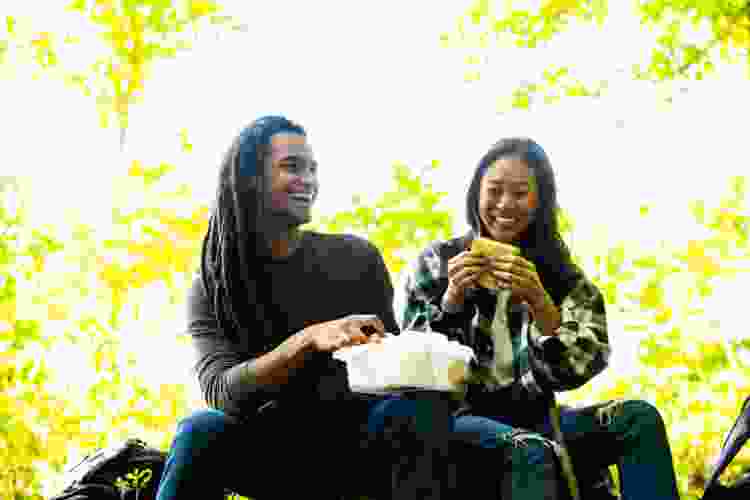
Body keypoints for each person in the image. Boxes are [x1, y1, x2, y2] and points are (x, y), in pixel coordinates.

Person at [155, 116, 561, 500]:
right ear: (251, 179)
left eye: (312, 169)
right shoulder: (216, 285)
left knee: (421, 406)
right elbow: (222, 392)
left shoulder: (355, 258)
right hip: (272, 450)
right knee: (198, 429)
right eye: (292, 167)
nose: (307, 181)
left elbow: (396, 376)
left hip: (357, 445)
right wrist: (309, 340)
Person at [400, 137, 681, 500]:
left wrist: (540, 302)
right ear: (476, 194)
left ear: (539, 201)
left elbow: (582, 366)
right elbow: (410, 365)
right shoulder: (437, 262)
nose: (504, 205)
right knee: (527, 447)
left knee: (637, 419)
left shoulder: (560, 274)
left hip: (540, 417)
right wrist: (452, 299)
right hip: (460, 421)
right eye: (495, 191)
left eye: (520, 193)